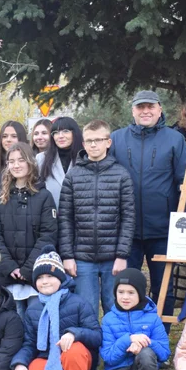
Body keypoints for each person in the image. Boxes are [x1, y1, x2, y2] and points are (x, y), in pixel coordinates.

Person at [111, 90, 186, 315]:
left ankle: (160, 336)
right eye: (140, 107)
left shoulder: (174, 139)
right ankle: (129, 333)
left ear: (159, 109)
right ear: (133, 111)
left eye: (150, 107)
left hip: (164, 229)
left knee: (163, 286)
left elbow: (185, 181)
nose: (145, 111)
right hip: (127, 230)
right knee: (126, 286)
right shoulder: (117, 139)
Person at [11, 247, 102, 370]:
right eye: (40, 278)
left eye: (50, 277)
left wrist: (75, 333)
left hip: (78, 358)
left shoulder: (78, 303)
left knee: (72, 350)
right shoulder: (33, 309)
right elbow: (29, 343)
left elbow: (97, 336)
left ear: (60, 278)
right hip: (48, 358)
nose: (45, 282)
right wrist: (20, 363)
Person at [58, 119, 135, 315]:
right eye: (89, 140)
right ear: (83, 144)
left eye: (98, 140)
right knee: (86, 310)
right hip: (82, 258)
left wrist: (122, 255)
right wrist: (67, 256)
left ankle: (113, 346)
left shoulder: (121, 175)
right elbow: (65, 218)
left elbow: (128, 217)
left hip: (112, 258)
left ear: (108, 142)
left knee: (115, 309)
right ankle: (89, 346)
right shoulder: (73, 176)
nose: (93, 144)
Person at [0, 143, 58, 317]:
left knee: (35, 319)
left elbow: (48, 235)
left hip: (35, 275)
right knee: (13, 321)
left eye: (21, 160)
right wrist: (10, 267)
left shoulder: (43, 196)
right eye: (11, 161)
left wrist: (27, 269)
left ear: (30, 163)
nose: (16, 165)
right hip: (8, 275)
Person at [97, 268, 170, 370]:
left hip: (142, 368)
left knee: (146, 354)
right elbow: (108, 356)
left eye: (131, 293)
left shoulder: (152, 318)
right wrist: (128, 339)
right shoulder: (109, 319)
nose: (125, 297)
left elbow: (164, 353)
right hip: (119, 366)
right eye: (121, 292)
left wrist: (144, 342)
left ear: (140, 294)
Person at [36, 116, 83, 206]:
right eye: (56, 132)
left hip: (80, 214)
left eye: (66, 131)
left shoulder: (85, 157)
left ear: (75, 133)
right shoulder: (41, 159)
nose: (60, 136)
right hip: (51, 214)